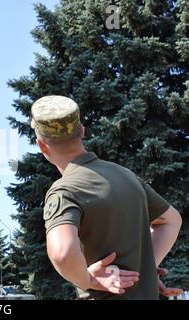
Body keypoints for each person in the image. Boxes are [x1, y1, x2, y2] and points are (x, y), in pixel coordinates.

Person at [30, 95, 182, 300]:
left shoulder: (65, 190)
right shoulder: (127, 176)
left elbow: (63, 253)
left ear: (42, 146)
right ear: (82, 130)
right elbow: (171, 220)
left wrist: (88, 281)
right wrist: (146, 268)